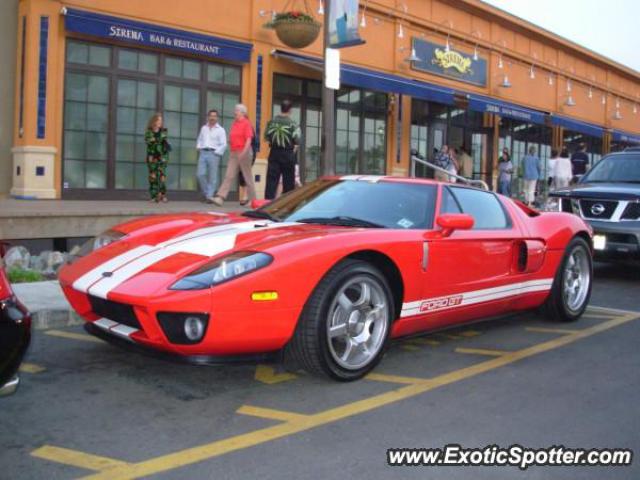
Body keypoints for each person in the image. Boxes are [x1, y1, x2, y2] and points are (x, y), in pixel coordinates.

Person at [212, 104, 256, 206]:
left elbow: (249, 140)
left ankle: (253, 200)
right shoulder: (235, 123)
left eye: (236, 110)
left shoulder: (247, 124)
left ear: (242, 113)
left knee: (247, 177)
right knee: (229, 175)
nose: (234, 112)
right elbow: (232, 137)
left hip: (244, 152)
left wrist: (243, 153)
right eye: (235, 110)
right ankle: (220, 197)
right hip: (234, 152)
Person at [264, 99, 301, 200]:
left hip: (274, 153)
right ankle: (288, 205)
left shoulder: (271, 122)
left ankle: (267, 204)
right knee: (288, 182)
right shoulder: (293, 124)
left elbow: (266, 138)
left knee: (271, 181)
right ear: (290, 110)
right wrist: (291, 154)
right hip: (288, 153)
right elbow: (297, 141)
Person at [196, 109, 227, 203]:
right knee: (200, 174)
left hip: (214, 153)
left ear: (217, 118)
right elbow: (200, 139)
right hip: (203, 153)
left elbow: (224, 144)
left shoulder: (220, 130)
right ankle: (207, 194)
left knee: (212, 177)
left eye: (214, 116)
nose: (212, 117)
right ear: (208, 117)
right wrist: (198, 147)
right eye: (211, 116)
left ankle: (209, 196)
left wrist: (216, 153)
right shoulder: (203, 128)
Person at [144, 113, 170, 203]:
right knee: (152, 177)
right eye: (158, 120)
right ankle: (153, 196)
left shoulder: (164, 131)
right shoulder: (148, 131)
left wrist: (156, 141)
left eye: (161, 121)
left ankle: (162, 195)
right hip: (152, 157)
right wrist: (157, 141)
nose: (160, 122)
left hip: (162, 157)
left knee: (162, 177)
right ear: (154, 121)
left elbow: (159, 141)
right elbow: (149, 141)